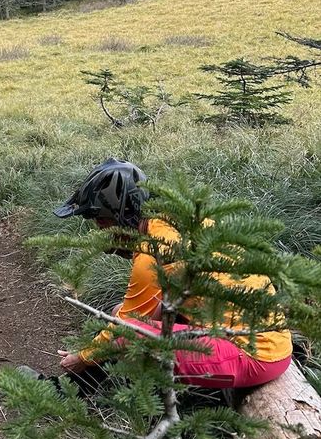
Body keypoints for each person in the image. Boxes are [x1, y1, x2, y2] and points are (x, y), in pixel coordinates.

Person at [49, 159, 292, 391]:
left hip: (252, 354)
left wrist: (83, 357)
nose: (100, 230)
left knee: (128, 337)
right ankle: (90, 384)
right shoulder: (172, 222)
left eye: (102, 222)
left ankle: (67, 390)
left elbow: (126, 327)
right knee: (119, 314)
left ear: (119, 216)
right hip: (249, 335)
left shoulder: (154, 251)